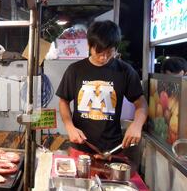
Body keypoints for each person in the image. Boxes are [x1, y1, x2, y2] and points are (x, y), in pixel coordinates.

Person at [56, 20, 148, 156]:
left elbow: (141, 103)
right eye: (99, 52)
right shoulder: (75, 70)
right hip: (80, 145)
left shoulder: (125, 71)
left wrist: (137, 125)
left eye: (109, 52)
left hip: (112, 148)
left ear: (116, 48)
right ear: (89, 45)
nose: (104, 57)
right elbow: (63, 101)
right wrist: (69, 126)